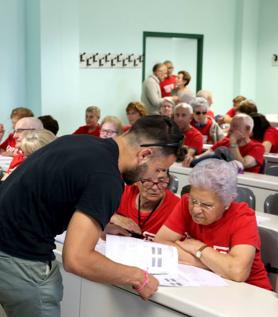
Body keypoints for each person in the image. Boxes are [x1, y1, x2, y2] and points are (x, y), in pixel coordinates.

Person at [0, 115, 184, 317]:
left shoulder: (76, 142)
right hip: (19, 259)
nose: (150, 178)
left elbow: (49, 197)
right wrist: (138, 277)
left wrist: (99, 224)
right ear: (145, 154)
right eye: (157, 169)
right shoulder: (107, 177)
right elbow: (77, 259)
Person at [155, 159, 272, 291]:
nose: (196, 209)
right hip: (207, 286)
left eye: (206, 205)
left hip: (251, 292)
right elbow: (160, 243)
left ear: (227, 202)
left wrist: (199, 248)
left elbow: (237, 272)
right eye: (193, 201)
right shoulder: (185, 203)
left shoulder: (243, 217)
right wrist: (211, 263)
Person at [106, 170, 180, 240]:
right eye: (148, 180)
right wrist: (113, 217)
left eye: (161, 181)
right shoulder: (120, 193)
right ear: (135, 181)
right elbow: (96, 212)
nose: (155, 188)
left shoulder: (178, 207)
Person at [196, 114, 264, 173]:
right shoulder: (225, 141)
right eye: (230, 125)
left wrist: (233, 143)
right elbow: (206, 155)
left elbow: (241, 165)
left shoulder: (257, 147)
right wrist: (193, 158)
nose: (230, 129)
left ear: (248, 129)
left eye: (235, 126)